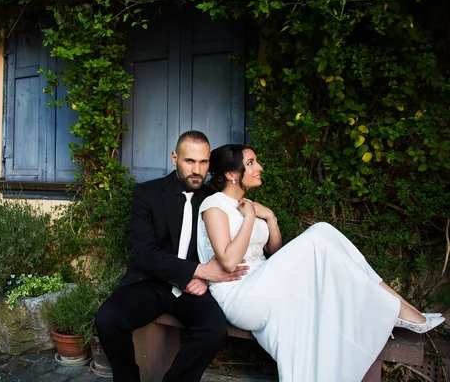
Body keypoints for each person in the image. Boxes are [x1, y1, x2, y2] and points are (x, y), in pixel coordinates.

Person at [197, 144, 445, 382]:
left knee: (324, 234)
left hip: (264, 283)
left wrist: (270, 217)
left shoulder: (251, 206)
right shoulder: (214, 206)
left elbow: (274, 251)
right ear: (231, 174)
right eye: (250, 163)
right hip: (240, 294)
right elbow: (229, 261)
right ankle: (397, 307)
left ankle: (396, 305)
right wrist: (250, 217)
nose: (259, 167)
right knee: (321, 233)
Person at [95, 131, 250, 382]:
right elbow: (144, 254)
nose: (197, 170)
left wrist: (205, 279)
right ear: (174, 158)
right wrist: (199, 271)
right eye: (190, 161)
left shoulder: (215, 200)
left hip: (194, 289)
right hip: (152, 282)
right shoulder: (147, 194)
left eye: (203, 162)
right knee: (108, 319)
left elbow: (238, 216)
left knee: (214, 330)